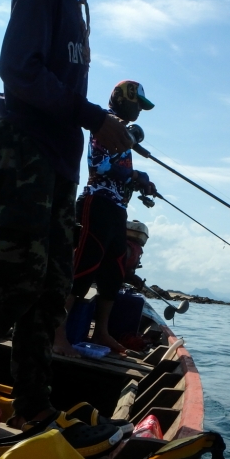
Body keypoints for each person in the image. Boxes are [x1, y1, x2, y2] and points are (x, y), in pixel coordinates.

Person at [0, 0, 142, 428]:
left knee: (51, 290)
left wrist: (92, 124)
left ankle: (35, 406)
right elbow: (18, 70)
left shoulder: (75, 0)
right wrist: (92, 117)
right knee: (17, 277)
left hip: (59, 165)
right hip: (23, 154)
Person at [55, 81, 156, 356]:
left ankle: (102, 333)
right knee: (83, 270)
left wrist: (140, 183)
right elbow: (100, 165)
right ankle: (56, 335)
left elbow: (120, 171)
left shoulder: (124, 133)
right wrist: (135, 176)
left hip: (116, 209)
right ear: (124, 100)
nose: (139, 110)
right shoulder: (106, 124)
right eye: (137, 104)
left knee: (113, 274)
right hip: (95, 204)